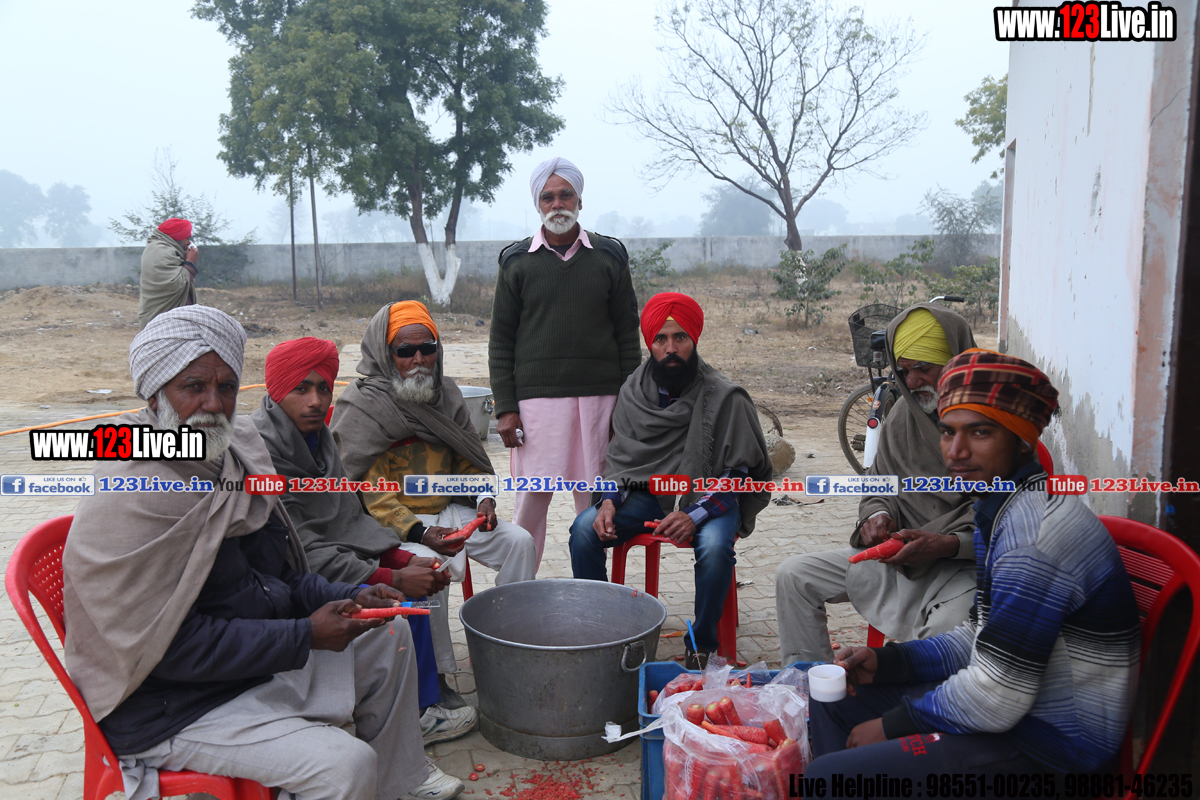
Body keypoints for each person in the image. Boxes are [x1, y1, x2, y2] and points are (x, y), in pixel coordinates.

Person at [62, 306, 463, 800]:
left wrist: (349, 593)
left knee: (389, 633)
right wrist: (305, 635)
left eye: (227, 387)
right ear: (154, 392)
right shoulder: (134, 491)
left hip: (240, 666)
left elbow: (278, 575)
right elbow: (171, 650)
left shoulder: (228, 458)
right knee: (346, 765)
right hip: (171, 703)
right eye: (193, 387)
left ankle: (401, 780)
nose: (214, 404)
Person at [805, 349, 1140, 781]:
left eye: (980, 432)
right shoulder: (1000, 509)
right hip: (1013, 709)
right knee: (831, 702)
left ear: (1022, 440)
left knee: (829, 775)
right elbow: (978, 637)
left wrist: (892, 725)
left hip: (1053, 745)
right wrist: (887, 662)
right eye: (948, 432)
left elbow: (998, 695)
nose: (956, 452)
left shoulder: (1034, 538)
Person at [252, 336, 478, 740]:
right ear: (276, 390)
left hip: (331, 560)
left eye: (323, 388)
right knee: (403, 606)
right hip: (283, 580)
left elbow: (347, 519)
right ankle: (417, 715)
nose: (315, 402)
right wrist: (391, 576)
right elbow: (300, 548)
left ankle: (421, 699)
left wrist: (402, 559)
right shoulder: (261, 451)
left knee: (418, 584)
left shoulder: (319, 439)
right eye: (300, 389)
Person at [330, 301, 537, 682]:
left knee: (520, 542)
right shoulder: (364, 405)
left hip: (449, 510)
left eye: (428, 348)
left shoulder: (447, 394)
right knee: (428, 569)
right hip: (396, 525)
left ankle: (507, 641)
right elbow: (373, 495)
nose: (419, 360)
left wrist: (483, 499)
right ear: (385, 353)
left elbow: (468, 460)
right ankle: (439, 677)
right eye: (406, 351)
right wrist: (421, 532)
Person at [568, 292, 773, 668]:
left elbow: (737, 476)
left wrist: (694, 515)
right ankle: (602, 631)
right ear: (650, 343)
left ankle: (701, 643)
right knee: (584, 529)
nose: (671, 348)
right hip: (647, 496)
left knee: (715, 547)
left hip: (710, 498)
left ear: (694, 340)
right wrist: (609, 499)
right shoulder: (633, 392)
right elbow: (620, 460)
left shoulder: (724, 395)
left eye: (680, 337)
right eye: (661, 339)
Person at [775, 303, 980, 663]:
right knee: (794, 576)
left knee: (945, 633)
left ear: (957, 363)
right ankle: (811, 684)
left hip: (963, 567)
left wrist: (947, 544)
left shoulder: (995, 425)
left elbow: (1013, 525)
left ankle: (913, 695)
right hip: (899, 557)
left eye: (923, 368)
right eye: (904, 370)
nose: (912, 382)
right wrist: (876, 514)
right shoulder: (902, 416)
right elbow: (878, 485)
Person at [489, 156, 642, 570]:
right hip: (536, 405)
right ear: (537, 204)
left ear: (579, 200)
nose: (557, 204)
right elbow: (501, 340)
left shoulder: (609, 255)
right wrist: (505, 408)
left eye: (565, 195)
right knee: (531, 502)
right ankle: (517, 590)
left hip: (600, 401)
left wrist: (629, 406)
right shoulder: (517, 261)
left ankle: (590, 590)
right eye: (548, 197)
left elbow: (628, 336)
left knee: (593, 503)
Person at [138, 217, 199, 328]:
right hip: (160, 321)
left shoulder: (163, 249)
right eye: (186, 238)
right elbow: (175, 284)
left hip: (172, 321)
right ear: (178, 237)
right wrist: (189, 263)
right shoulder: (161, 252)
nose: (188, 242)